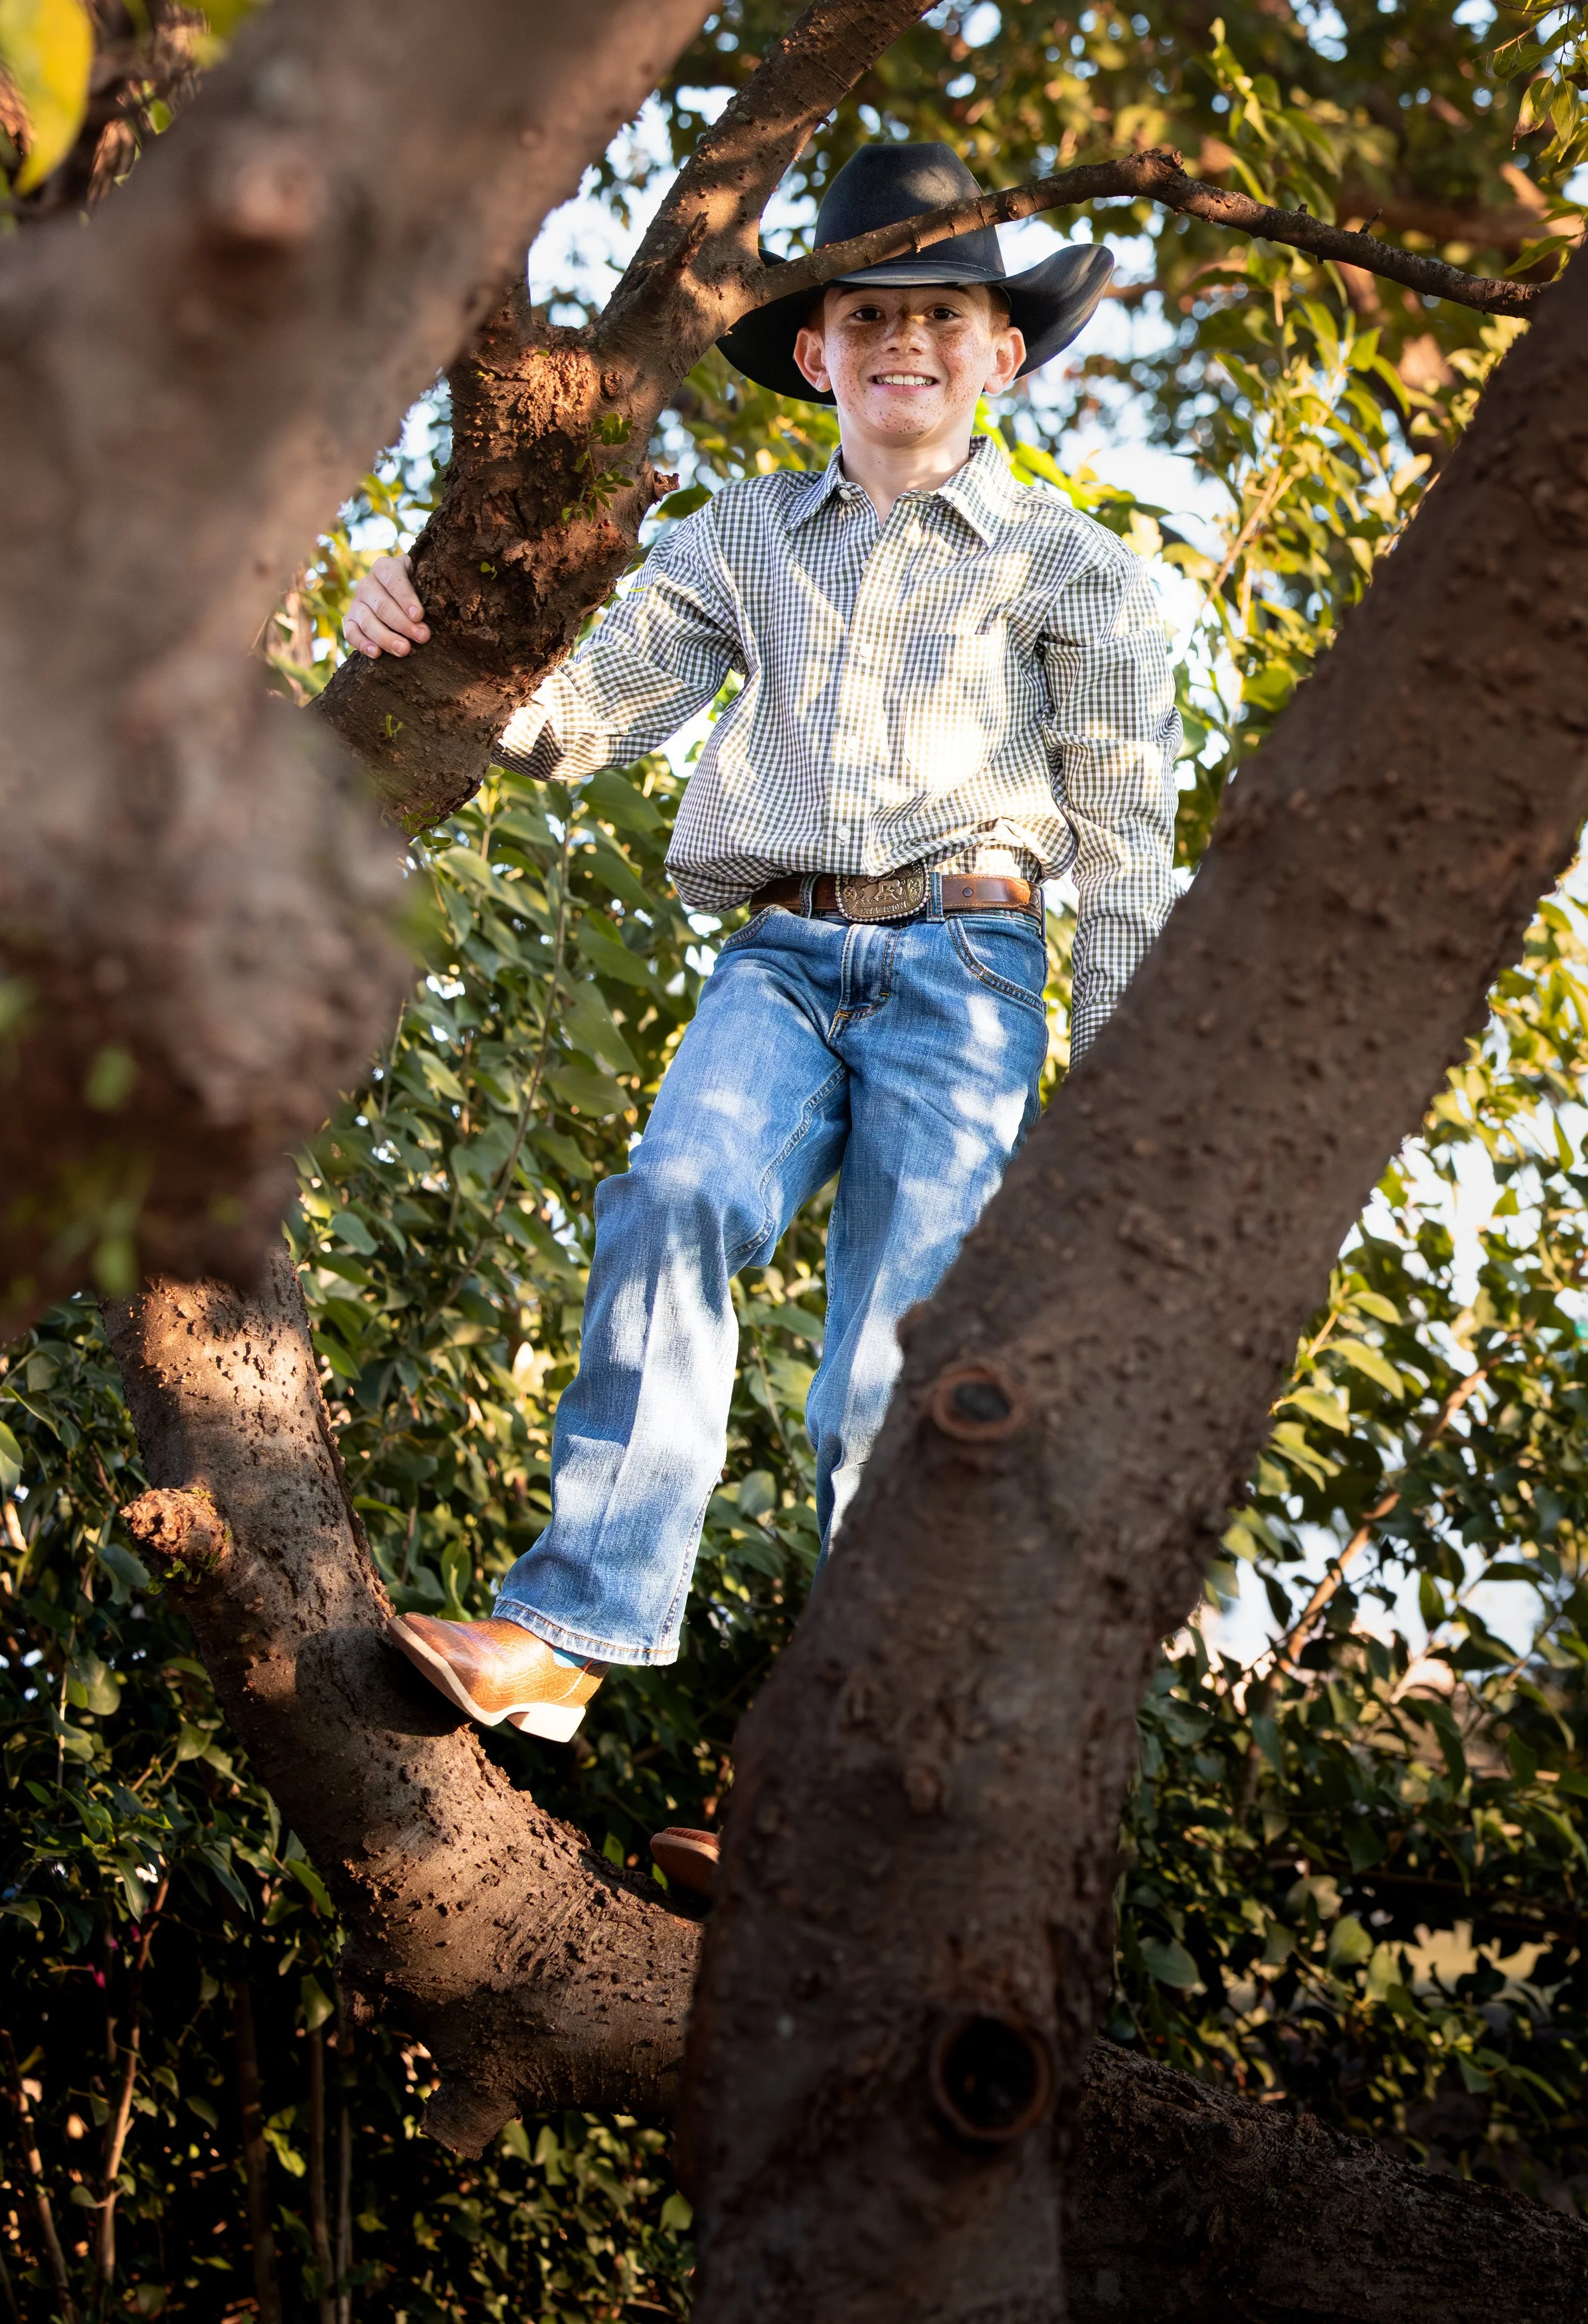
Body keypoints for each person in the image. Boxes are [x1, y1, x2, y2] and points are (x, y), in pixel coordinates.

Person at [343, 145, 1181, 1896]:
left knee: (881, 1373)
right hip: (779, 965)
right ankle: (569, 1631)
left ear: (999, 354)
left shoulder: (1076, 570)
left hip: (968, 976)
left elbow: (1127, 844)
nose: (900, 345)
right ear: (813, 353)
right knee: (669, 1197)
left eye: (938, 316)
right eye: (865, 316)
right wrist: (414, 626)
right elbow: (568, 716)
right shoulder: (740, 537)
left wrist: (1116, 1111)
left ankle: (827, 1778)